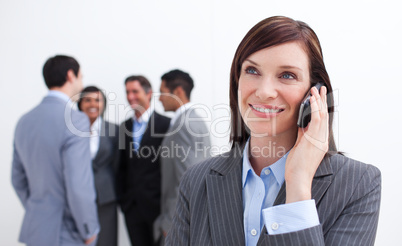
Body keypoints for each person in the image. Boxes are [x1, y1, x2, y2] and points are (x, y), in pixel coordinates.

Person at [166, 16, 381, 246]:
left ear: (314, 93)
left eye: (287, 75)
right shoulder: (197, 180)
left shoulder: (358, 184)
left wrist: (298, 184)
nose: (264, 91)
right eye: (252, 70)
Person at [11, 55, 99, 246]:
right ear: (70, 75)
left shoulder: (24, 121)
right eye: (81, 77)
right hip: (67, 232)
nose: (82, 82)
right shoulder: (76, 120)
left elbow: (17, 179)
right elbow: (78, 185)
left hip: (36, 230)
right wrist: (89, 229)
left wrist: (40, 209)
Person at [154, 69, 211, 244]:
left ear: (178, 92)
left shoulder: (185, 125)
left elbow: (188, 180)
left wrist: (170, 223)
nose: (160, 98)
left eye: (163, 92)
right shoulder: (190, 120)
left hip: (178, 224)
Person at [117, 75, 171, 246]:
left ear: (148, 94)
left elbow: (170, 169)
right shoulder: (124, 127)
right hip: (132, 208)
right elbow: (122, 167)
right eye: (127, 92)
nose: (130, 96)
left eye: (135, 91)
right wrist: (124, 201)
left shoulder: (166, 124)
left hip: (157, 208)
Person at [77, 86, 119, 246]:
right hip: (78, 196)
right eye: (87, 100)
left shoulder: (114, 130)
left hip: (105, 197)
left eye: (97, 100)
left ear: (104, 104)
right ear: (80, 104)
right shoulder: (71, 130)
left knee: (106, 241)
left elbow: (117, 165)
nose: (92, 104)